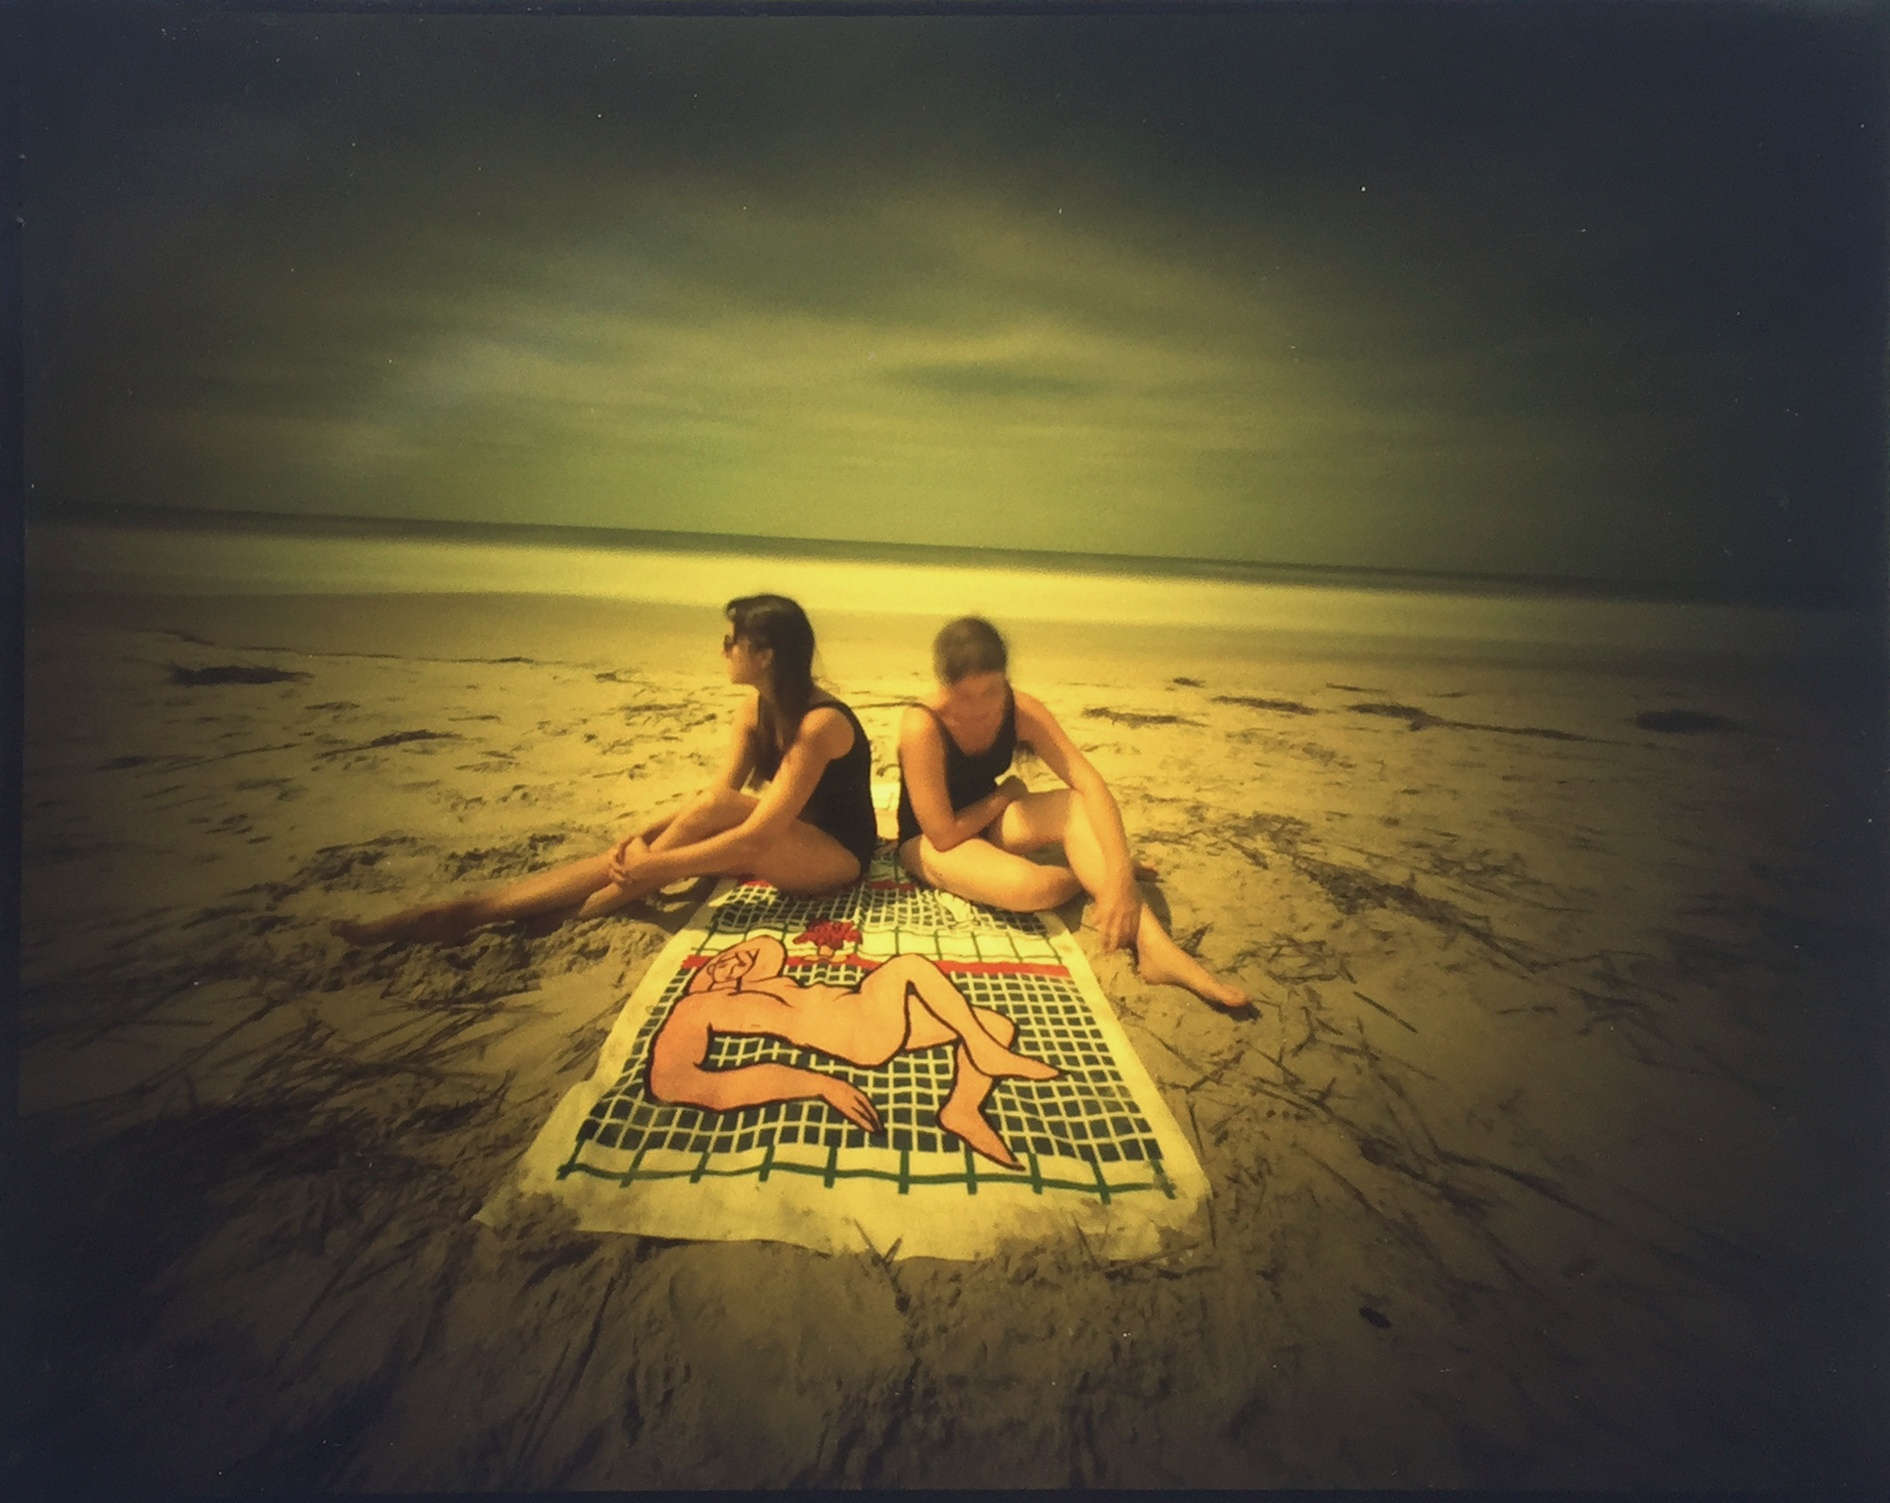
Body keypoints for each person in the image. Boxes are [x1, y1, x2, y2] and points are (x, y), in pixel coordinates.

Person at [333, 594, 876, 946]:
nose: (723, 648)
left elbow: (756, 834)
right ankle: (478, 909)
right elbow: (717, 800)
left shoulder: (819, 725)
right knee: (652, 839)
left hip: (834, 858)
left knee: (676, 840)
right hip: (783, 840)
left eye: (732, 641)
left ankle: (590, 910)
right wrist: (637, 840)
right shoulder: (752, 711)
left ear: (765, 655)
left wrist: (652, 867)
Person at [895, 615, 1249, 1010]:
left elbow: (1089, 783)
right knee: (1032, 889)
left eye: (991, 691)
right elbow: (942, 833)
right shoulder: (922, 725)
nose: (978, 707)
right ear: (945, 684)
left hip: (992, 824)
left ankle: (1156, 948)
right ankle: (1086, 874)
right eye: (965, 695)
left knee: (1077, 807)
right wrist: (1007, 794)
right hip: (931, 841)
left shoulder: (1021, 710)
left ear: (1005, 678)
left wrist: (1119, 879)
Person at [648, 933, 1057, 1170]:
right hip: (858, 1030)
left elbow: (767, 946)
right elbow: (671, 1081)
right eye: (719, 964)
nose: (733, 960)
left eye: (733, 958)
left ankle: (962, 1110)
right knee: (907, 966)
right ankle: (987, 1053)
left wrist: (733, 967)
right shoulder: (698, 1007)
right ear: (703, 979)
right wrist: (818, 1084)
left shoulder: (763, 985)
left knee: (995, 1024)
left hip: (864, 1011)